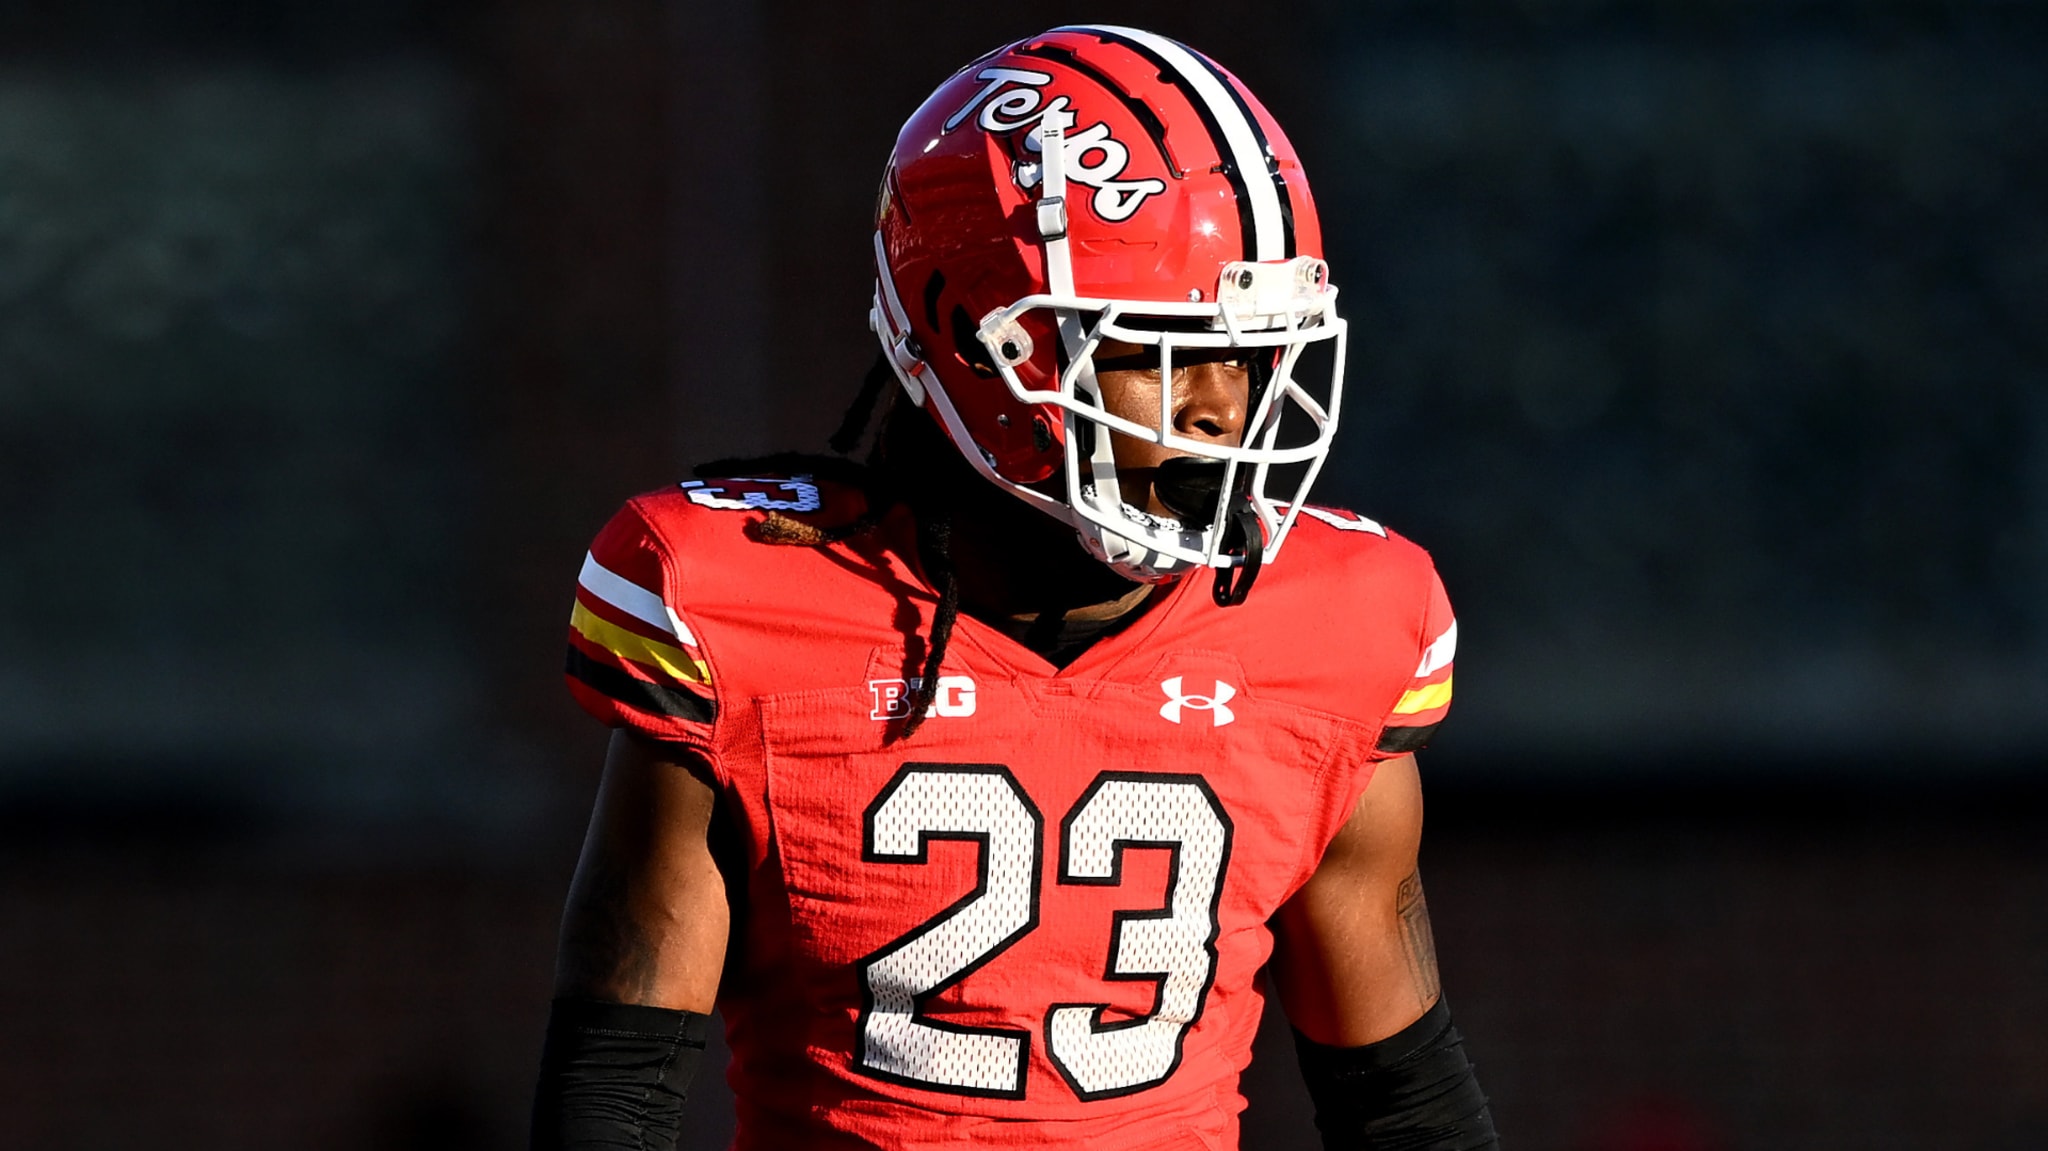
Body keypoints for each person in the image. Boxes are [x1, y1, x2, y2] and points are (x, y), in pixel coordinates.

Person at [532, 24, 1498, 1151]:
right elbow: (616, 1092)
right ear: (970, 337)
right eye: (1158, 353)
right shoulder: (738, 597)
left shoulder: (1343, 621)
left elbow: (1403, 1098)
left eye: (1247, 355)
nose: (1218, 409)